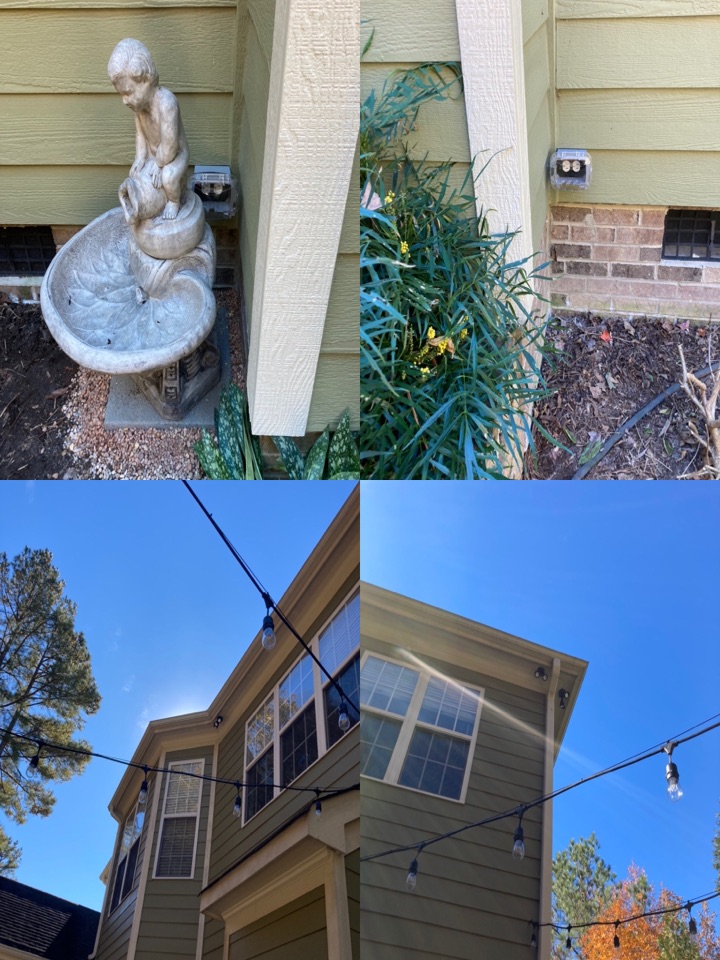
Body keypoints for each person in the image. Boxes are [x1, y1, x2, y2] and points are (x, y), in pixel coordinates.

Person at [108, 38, 189, 221]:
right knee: (138, 177)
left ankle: (174, 201)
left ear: (145, 81)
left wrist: (159, 164)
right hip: (155, 157)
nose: (125, 100)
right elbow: (140, 136)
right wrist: (140, 158)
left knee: (168, 178)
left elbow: (170, 145)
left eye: (128, 93)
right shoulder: (139, 108)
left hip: (174, 155)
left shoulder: (166, 103)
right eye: (121, 95)